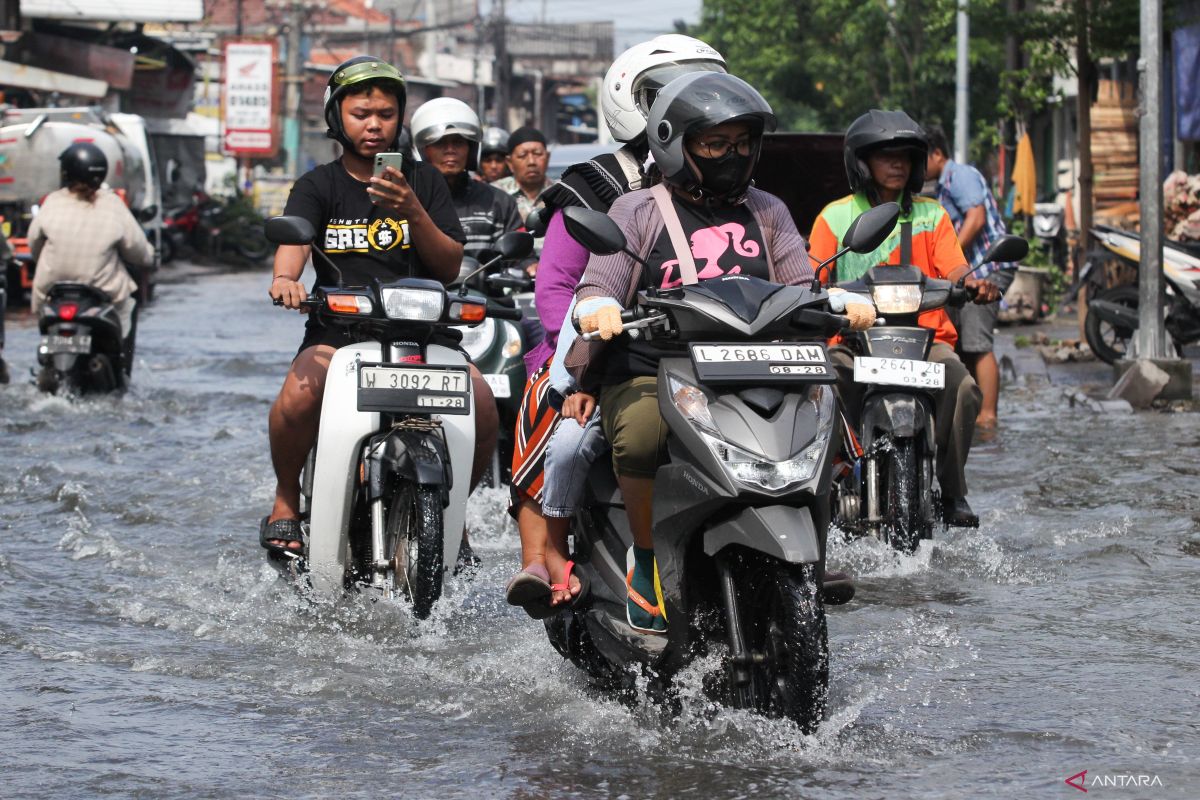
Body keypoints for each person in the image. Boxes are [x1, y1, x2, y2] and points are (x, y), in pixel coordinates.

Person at [572, 73, 875, 634]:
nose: (731, 155)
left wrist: (838, 300)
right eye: (715, 144)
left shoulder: (769, 210)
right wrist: (598, 308)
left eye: (741, 143)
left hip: (759, 367)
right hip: (657, 367)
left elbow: (801, 282)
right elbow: (599, 284)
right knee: (639, 432)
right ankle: (645, 564)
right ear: (673, 144)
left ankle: (811, 557)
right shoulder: (636, 212)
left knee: (827, 420)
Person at [503, 35, 729, 617]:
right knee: (552, 409)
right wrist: (583, 349)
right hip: (601, 339)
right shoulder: (597, 185)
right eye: (669, 96)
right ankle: (543, 555)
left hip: (714, 344)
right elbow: (555, 286)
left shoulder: (739, 184)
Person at [262, 56, 496, 563]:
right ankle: (284, 498)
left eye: (386, 114)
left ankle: (451, 514)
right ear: (336, 119)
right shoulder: (318, 185)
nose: (374, 125)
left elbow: (450, 266)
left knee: (483, 403)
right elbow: (294, 244)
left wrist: (411, 207)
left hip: (422, 332)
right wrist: (286, 279)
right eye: (361, 113)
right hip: (341, 330)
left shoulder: (425, 181)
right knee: (298, 396)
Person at [808, 109, 1000, 529]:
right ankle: (829, 481)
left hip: (926, 343)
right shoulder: (835, 216)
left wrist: (973, 284)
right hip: (854, 345)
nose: (897, 165)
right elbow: (811, 275)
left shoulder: (932, 215)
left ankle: (952, 491)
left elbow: (955, 269)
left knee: (964, 387)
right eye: (885, 156)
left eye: (905, 157)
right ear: (862, 162)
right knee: (822, 387)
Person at [924, 125, 1017, 431]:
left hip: (987, 268)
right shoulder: (938, 186)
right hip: (968, 273)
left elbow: (975, 218)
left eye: (919, 157)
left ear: (937, 154)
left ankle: (988, 416)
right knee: (960, 343)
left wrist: (949, 256)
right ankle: (968, 411)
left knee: (978, 343)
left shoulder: (958, 175)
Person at [28, 142, 154, 343]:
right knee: (126, 307)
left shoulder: (53, 201)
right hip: (101, 293)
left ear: (65, 172)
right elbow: (137, 249)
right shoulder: (111, 203)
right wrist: (149, 256)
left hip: (51, 292)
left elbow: (34, 243)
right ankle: (121, 367)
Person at [410, 98, 523, 259]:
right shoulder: (409, 202)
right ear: (423, 151)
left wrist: (528, 267)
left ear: (471, 149)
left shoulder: (499, 202)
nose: (450, 150)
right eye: (440, 142)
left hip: (484, 284)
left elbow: (518, 260)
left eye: (457, 142)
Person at [493, 127, 554, 224]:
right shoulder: (495, 194)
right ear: (510, 163)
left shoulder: (560, 194)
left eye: (537, 154)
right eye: (522, 155)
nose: (531, 161)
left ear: (547, 157)